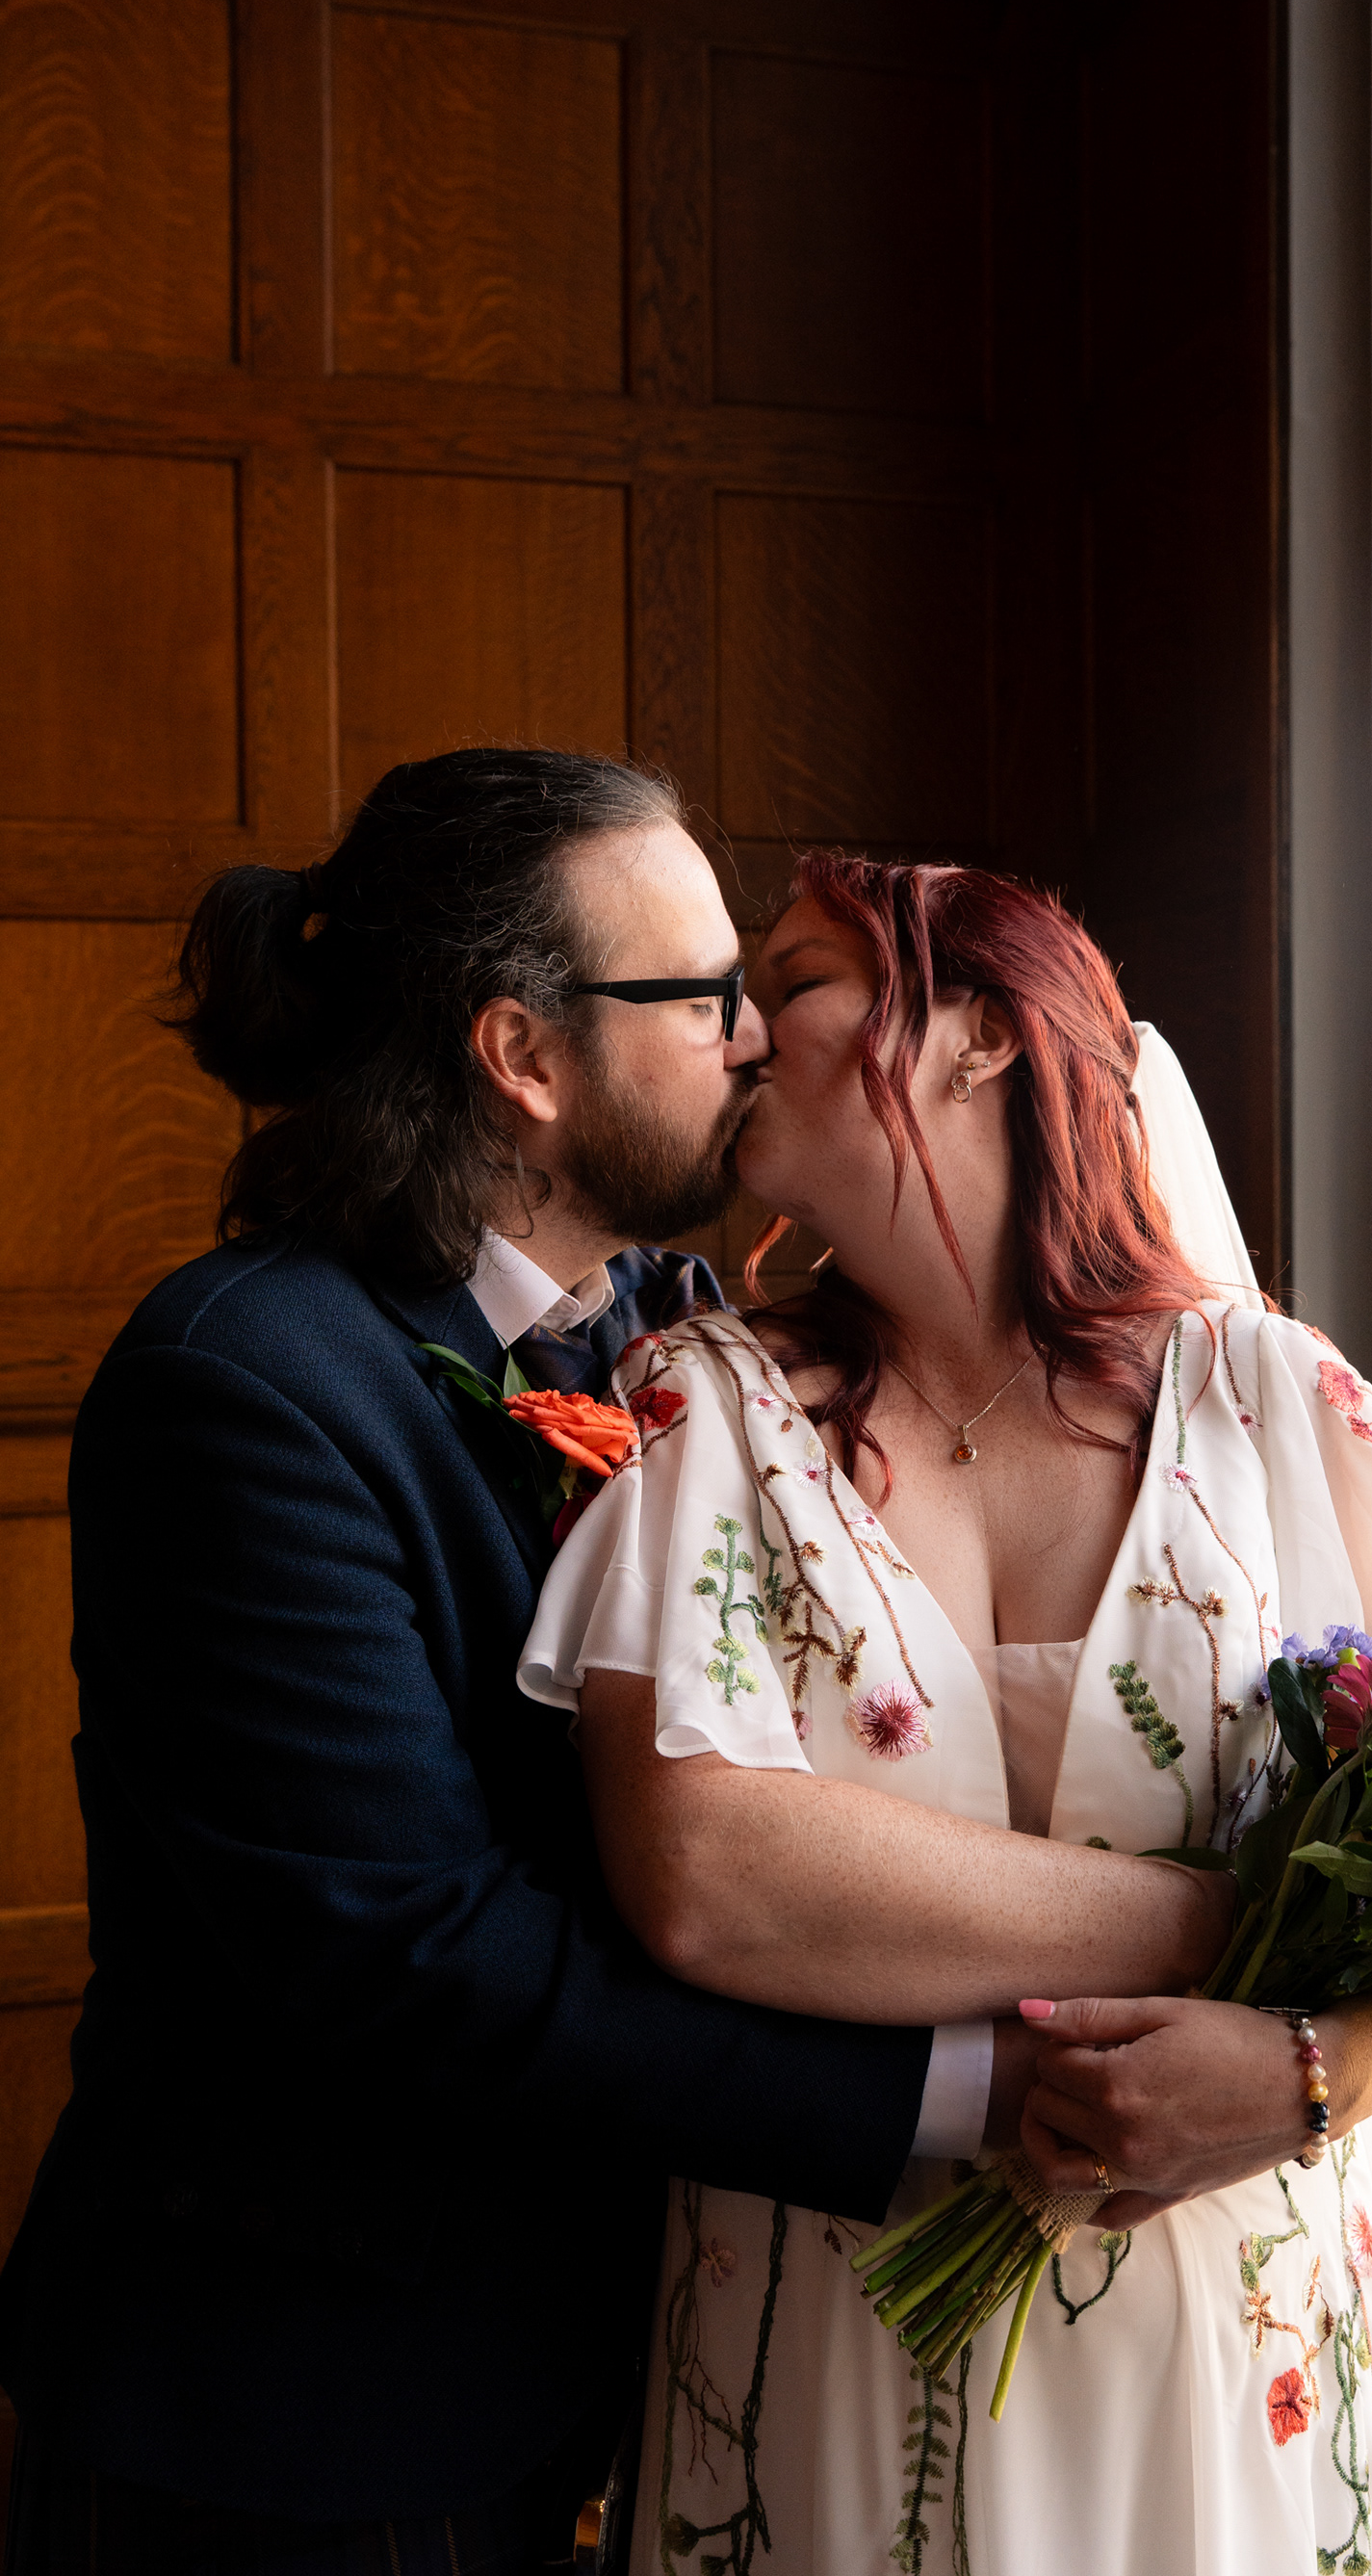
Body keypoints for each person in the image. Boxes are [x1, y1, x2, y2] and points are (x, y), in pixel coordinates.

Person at [0, 751, 1280, 2576]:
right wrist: (1002, 2088)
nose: (755, 1034)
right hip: (314, 2414)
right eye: (700, 996)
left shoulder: (676, 1334)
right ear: (522, 1059)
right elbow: (413, 1957)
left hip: (641, 2363)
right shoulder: (250, 1385)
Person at [518, 853, 1372, 2576]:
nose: (733, 1037)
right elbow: (703, 1873)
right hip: (827, 2323)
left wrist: (1309, 2072)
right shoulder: (702, 1415)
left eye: (792, 983)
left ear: (972, 1035)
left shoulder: (1277, 1403)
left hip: (1231, 2335)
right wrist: (1241, 1929)